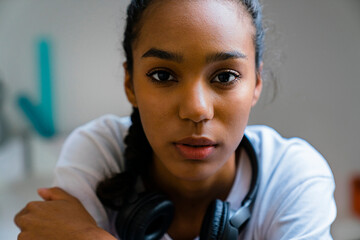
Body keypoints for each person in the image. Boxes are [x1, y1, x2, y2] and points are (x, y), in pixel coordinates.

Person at [14, 0, 337, 239]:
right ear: (130, 84)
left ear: (255, 83)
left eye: (224, 76)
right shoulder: (99, 152)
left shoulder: (293, 177)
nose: (196, 110)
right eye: (163, 75)